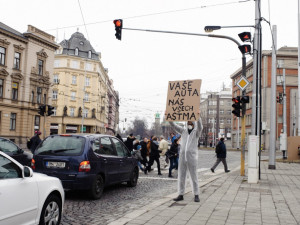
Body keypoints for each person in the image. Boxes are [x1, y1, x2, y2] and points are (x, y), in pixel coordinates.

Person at [169, 118, 202, 203]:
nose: (189, 122)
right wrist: (169, 117)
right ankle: (180, 194)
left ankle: (196, 194)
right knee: (181, 176)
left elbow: (200, 127)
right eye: (188, 120)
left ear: (194, 122)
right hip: (183, 157)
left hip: (192, 157)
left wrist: (198, 117)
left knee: (193, 176)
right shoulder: (183, 131)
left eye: (191, 120)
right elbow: (173, 125)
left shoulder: (196, 132)